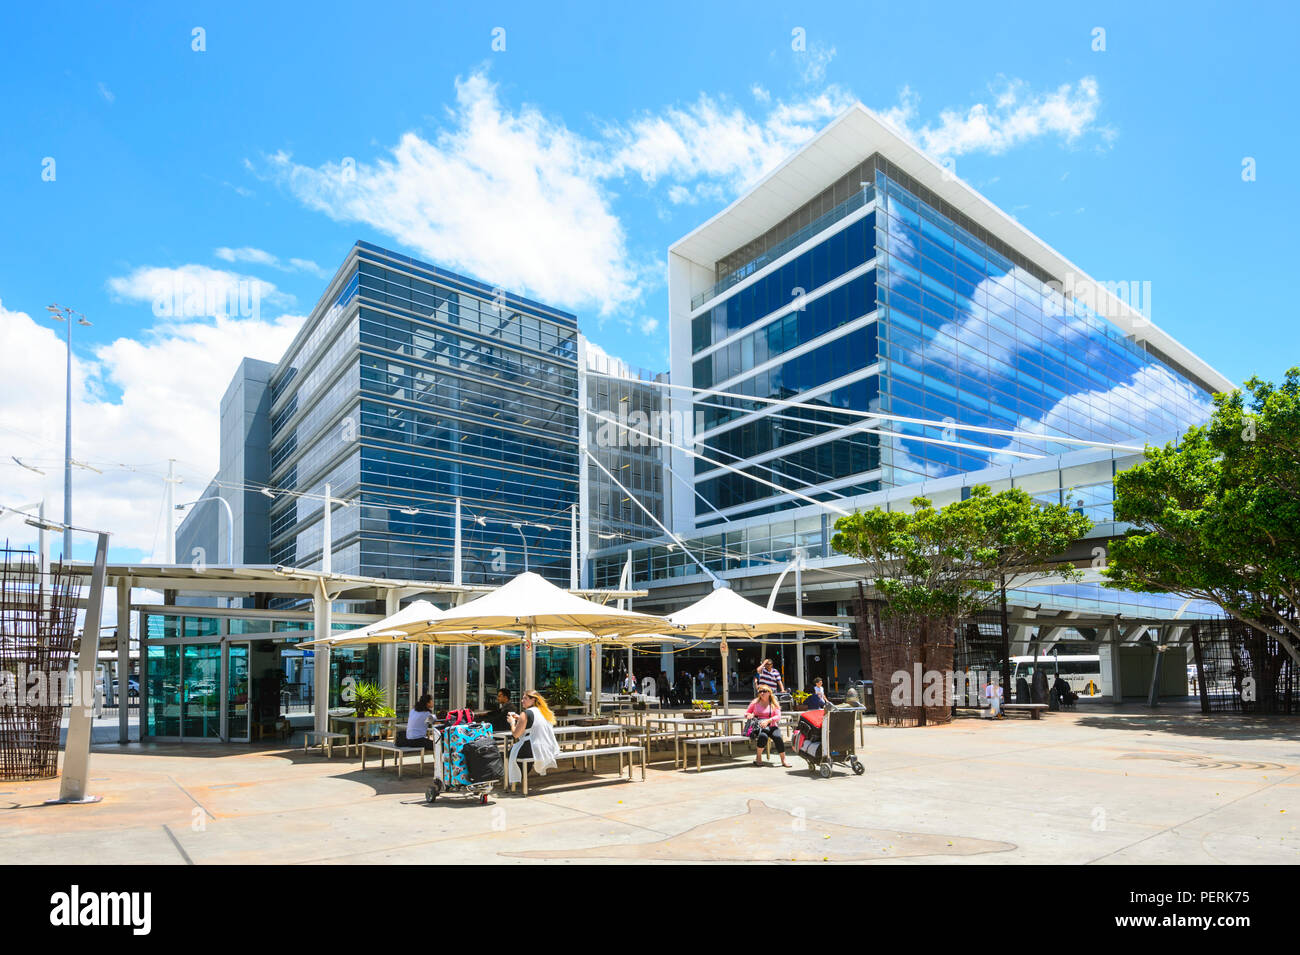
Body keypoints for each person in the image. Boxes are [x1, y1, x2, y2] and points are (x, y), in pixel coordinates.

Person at [506, 689, 560, 785]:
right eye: (522, 698)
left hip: (531, 749)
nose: (522, 701)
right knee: (520, 754)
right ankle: (519, 778)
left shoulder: (525, 713)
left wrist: (512, 722)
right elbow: (534, 723)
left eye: (525, 698)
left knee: (508, 754)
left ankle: (511, 781)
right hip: (545, 748)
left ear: (533, 700)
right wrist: (520, 718)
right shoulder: (543, 712)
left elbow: (515, 734)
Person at [745, 686, 789, 767]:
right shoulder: (755, 702)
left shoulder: (773, 703)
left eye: (764, 691)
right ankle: (758, 758)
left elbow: (778, 716)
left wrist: (768, 720)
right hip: (760, 726)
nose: (762, 693)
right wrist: (749, 715)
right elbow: (747, 713)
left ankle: (783, 760)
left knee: (778, 737)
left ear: (769, 692)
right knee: (763, 737)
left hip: (772, 725)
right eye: (760, 691)